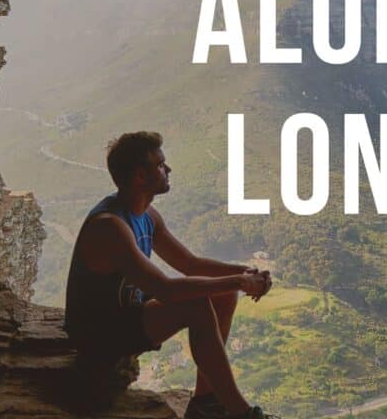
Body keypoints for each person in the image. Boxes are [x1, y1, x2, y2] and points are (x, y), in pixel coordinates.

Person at [64, 131, 276, 419]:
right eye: (161, 165)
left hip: (126, 313)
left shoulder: (146, 215)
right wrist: (240, 282)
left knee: (222, 293)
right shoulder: (110, 226)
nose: (169, 170)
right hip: (99, 333)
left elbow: (190, 263)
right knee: (196, 304)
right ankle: (242, 414)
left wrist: (244, 273)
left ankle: (206, 403)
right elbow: (165, 289)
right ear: (141, 176)